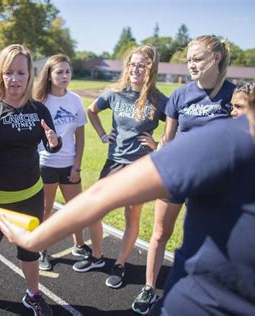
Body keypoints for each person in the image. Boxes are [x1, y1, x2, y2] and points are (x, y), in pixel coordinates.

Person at [0, 30, 255, 316]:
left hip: (196, 301)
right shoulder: (231, 138)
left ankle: (123, 267)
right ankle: (139, 280)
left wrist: (33, 240)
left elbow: (102, 196)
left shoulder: (232, 139)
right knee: (159, 234)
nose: (235, 112)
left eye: (197, 59)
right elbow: (113, 180)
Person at [130, 35, 236, 314]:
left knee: (209, 238)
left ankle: (207, 290)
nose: (191, 64)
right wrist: (159, 157)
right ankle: (150, 287)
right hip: (178, 176)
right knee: (160, 233)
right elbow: (168, 138)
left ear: (216, 58)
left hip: (212, 183)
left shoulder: (232, 95)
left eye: (197, 59)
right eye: (189, 59)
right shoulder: (180, 95)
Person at [0, 44, 60, 316]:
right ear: (0, 74)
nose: (15, 79)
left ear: (30, 74)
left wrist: (55, 142)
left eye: (21, 72)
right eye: (9, 72)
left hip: (32, 192)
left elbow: (50, 143)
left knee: (31, 249)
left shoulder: (39, 109)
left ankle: (33, 295)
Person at [80, 45, 168, 289]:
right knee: (93, 209)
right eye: (132, 64)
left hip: (140, 166)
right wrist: (101, 133)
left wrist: (158, 143)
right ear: (127, 66)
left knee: (132, 216)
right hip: (115, 161)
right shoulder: (114, 93)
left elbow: (179, 121)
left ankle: (120, 264)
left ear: (151, 68)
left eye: (142, 65)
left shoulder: (158, 99)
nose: (136, 69)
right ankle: (97, 257)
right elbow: (92, 110)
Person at [34, 54, 93, 271]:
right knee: (45, 210)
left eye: (67, 71)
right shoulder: (40, 101)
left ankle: (79, 245)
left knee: (76, 208)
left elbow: (80, 136)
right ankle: (41, 250)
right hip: (46, 164)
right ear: (49, 75)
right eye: (59, 71)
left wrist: (77, 165)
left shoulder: (75, 100)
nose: (64, 75)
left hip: (69, 164)